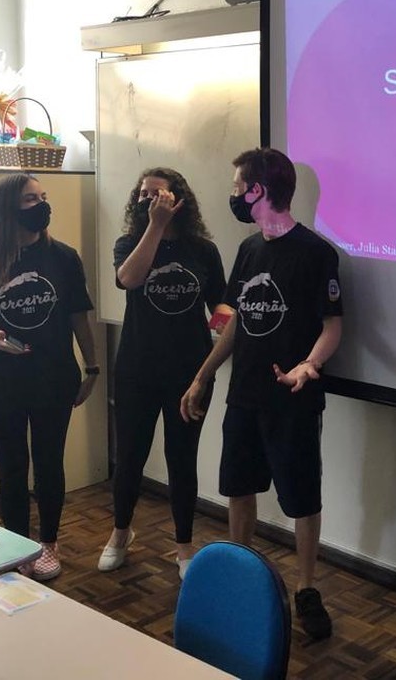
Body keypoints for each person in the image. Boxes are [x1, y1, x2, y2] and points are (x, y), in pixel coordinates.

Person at [180, 148, 343, 640]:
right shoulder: (249, 249)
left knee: (302, 498)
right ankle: (241, 577)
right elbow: (234, 320)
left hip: (293, 401)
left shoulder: (316, 253)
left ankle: (306, 589)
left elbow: (333, 326)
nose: (232, 195)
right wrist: (203, 374)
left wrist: (309, 365)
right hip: (244, 394)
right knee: (238, 487)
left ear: (258, 191)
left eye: (237, 187)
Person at [0, 173, 98, 581]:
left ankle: (49, 542)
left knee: (49, 463)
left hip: (54, 378)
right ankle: (18, 544)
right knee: (11, 468)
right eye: (31, 199)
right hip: (2, 383)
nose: (42, 206)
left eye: (43, 197)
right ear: (6, 209)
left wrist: (92, 368)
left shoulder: (64, 257)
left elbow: (79, 318)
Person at [98, 168, 225, 578]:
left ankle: (184, 546)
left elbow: (220, 307)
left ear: (178, 199)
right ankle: (120, 533)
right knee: (130, 456)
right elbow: (129, 279)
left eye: (158, 194)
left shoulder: (202, 250)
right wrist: (155, 226)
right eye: (143, 194)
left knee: (181, 459)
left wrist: (230, 335)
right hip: (136, 369)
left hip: (189, 373)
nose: (148, 200)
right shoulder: (128, 243)